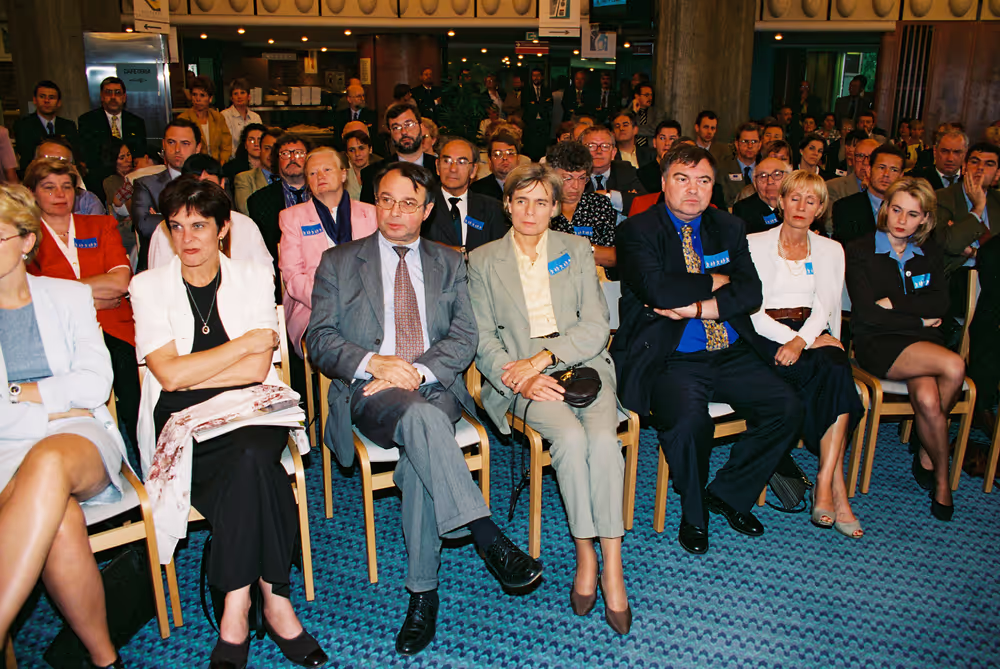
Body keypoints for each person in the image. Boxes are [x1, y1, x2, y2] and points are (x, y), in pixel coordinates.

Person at [306, 162, 543, 656]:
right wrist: (375, 363)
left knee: (420, 448)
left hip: (433, 385)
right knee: (419, 420)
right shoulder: (339, 261)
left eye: (409, 203)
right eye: (386, 200)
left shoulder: (451, 262)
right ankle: (486, 535)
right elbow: (319, 339)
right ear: (374, 203)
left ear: (427, 209)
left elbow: (464, 338)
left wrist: (417, 372)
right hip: (371, 391)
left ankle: (423, 594)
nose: (396, 211)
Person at [129, 178, 327, 668]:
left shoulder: (253, 277)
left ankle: (235, 609)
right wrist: (243, 344)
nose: (187, 238)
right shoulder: (147, 285)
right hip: (182, 420)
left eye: (199, 225)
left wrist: (206, 365)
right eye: (176, 227)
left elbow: (256, 373)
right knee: (255, 470)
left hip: (252, 406)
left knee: (247, 455)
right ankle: (274, 598)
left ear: (222, 229)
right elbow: (169, 378)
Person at [612, 143, 802, 555]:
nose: (693, 190)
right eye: (682, 179)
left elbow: (750, 292)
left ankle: (729, 493)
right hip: (671, 355)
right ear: (664, 183)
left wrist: (698, 306)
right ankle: (694, 511)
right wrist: (716, 280)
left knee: (787, 405)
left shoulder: (728, 227)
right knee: (688, 423)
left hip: (730, 350)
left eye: (703, 181)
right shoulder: (636, 230)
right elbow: (656, 288)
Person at [468, 163, 631, 634]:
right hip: (520, 377)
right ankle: (585, 554)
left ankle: (613, 567)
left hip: (582, 367)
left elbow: (597, 327)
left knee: (602, 442)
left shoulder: (577, 250)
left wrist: (543, 359)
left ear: (556, 207)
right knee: (571, 442)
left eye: (542, 201)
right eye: (521, 200)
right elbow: (481, 339)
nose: (530, 210)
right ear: (507, 204)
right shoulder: (482, 261)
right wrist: (521, 377)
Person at [0, 184, 129, 669]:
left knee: (49, 460)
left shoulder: (69, 295)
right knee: (62, 523)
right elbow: (71, 390)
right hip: (7, 447)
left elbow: (96, 384)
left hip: (76, 441)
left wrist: (15, 396)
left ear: (26, 241)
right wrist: (48, 399)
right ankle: (104, 659)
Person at [747, 171, 865, 538]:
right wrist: (791, 339)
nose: (801, 207)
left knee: (834, 364)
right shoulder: (752, 243)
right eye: (794, 198)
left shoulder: (831, 249)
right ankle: (835, 490)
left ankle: (826, 480)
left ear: (820, 209)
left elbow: (826, 304)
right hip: (765, 334)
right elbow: (750, 309)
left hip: (812, 332)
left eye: (810, 200)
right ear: (780, 201)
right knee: (834, 374)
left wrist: (805, 340)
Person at [845, 177, 963, 520]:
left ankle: (928, 454)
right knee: (954, 367)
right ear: (885, 209)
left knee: (927, 399)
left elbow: (940, 303)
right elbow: (866, 314)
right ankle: (941, 477)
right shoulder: (860, 249)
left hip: (923, 344)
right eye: (896, 209)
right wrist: (919, 319)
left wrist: (894, 302)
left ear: (924, 219)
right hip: (878, 344)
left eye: (912, 214)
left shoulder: (929, 251)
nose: (901, 220)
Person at [24, 157, 140, 472]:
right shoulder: (26, 237)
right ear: (33, 193)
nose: (60, 195)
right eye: (49, 188)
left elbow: (120, 281)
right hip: (60, 331)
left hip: (115, 326)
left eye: (66, 187)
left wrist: (63, 290)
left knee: (131, 387)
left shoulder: (99, 225)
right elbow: (33, 294)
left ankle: (144, 462)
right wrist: (91, 297)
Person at [278, 147, 377, 356]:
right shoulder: (292, 217)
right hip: (314, 307)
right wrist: (332, 303)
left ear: (343, 174)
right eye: (312, 173)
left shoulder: (371, 214)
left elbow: (383, 266)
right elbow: (293, 277)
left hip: (368, 305)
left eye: (327, 170)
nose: (320, 176)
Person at [147, 157, 272, 273]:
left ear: (222, 183)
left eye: (207, 185)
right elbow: (158, 279)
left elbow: (266, 273)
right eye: (193, 186)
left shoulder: (244, 224)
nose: (200, 194)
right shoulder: (166, 228)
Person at [933, 142, 1000, 348]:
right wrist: (977, 209)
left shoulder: (999, 202)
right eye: (974, 162)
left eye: (989, 164)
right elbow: (951, 244)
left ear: (997, 175)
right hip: (954, 280)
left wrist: (973, 252)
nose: (980, 168)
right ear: (964, 168)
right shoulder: (941, 198)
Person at [131, 119, 204, 271]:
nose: (177, 149)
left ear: (198, 147)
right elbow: (144, 226)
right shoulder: (145, 184)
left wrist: (162, 217)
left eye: (185, 143)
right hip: (157, 268)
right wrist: (198, 222)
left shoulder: (210, 182)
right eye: (171, 142)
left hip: (202, 265)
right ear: (163, 145)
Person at [247, 133, 311, 290]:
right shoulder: (258, 201)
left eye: (299, 153)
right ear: (276, 160)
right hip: (277, 280)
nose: (292, 158)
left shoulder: (323, 195)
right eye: (285, 154)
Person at [423, 137, 508, 253]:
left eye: (461, 162)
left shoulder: (492, 209)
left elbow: (499, 252)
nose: (452, 169)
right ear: (437, 166)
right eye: (447, 161)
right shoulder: (423, 204)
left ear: (473, 170)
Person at [546, 141, 617, 269]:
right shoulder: (541, 206)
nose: (576, 186)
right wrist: (591, 250)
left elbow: (612, 256)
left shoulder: (598, 204)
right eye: (568, 178)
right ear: (551, 176)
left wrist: (575, 248)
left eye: (582, 178)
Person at [77, 77, 148, 202]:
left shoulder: (136, 122)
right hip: (99, 181)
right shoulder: (87, 121)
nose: (113, 97)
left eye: (118, 93)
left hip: (131, 180)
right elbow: (87, 154)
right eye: (108, 93)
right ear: (102, 96)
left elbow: (140, 152)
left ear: (124, 97)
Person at [360, 102, 437, 204]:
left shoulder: (440, 169)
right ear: (390, 133)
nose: (404, 132)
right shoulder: (373, 174)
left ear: (420, 126)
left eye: (408, 124)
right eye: (396, 127)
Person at [833, 143, 905, 245]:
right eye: (881, 167)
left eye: (894, 170)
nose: (886, 174)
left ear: (901, 176)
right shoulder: (844, 208)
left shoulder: (908, 212)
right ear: (869, 170)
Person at [13, 81, 79, 176]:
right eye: (42, 96)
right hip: (34, 176)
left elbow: (74, 153)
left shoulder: (68, 125)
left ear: (59, 102)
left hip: (64, 174)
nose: (47, 101)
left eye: (51, 98)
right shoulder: (23, 125)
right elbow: (26, 154)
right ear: (35, 100)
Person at [580, 125, 646, 218]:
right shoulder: (574, 174)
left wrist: (609, 195)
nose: (599, 151)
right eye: (591, 146)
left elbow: (643, 202)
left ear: (613, 153)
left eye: (605, 146)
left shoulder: (624, 170)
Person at [33, 138, 104, 216]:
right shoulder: (22, 202)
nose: (54, 168)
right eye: (47, 161)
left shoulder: (88, 203)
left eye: (62, 162)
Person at [822, 133, 876, 235]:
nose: (865, 162)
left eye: (871, 157)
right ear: (852, 160)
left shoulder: (887, 192)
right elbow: (830, 227)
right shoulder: (833, 187)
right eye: (860, 156)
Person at [177, 76, 233, 164]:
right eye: (194, 94)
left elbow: (226, 145)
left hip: (216, 164)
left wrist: (221, 163)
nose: (197, 99)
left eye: (202, 95)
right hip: (193, 166)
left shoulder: (218, 117)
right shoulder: (184, 119)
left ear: (210, 98)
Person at [732, 157, 791, 234]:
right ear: (755, 183)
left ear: (789, 179)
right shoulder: (743, 210)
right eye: (763, 176)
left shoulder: (798, 205)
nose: (770, 181)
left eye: (777, 175)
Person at [100, 137, 137, 261]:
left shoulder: (138, 174)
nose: (128, 160)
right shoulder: (110, 181)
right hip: (124, 229)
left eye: (129, 155)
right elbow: (117, 205)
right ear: (113, 161)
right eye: (122, 157)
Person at [234, 127, 281, 215]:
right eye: (267, 148)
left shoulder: (292, 178)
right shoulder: (244, 178)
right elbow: (246, 211)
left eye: (277, 149)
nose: (271, 154)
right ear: (260, 150)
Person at [717, 122, 761, 207]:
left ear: (760, 145)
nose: (750, 146)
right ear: (737, 144)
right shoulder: (723, 168)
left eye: (754, 141)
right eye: (745, 141)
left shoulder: (765, 169)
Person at [470, 132, 520, 201]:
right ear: (490, 161)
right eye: (498, 154)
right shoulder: (476, 191)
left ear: (518, 158)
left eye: (510, 153)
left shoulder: (529, 186)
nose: (505, 158)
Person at [220, 78, 262, 158]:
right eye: (235, 94)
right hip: (232, 160)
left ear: (249, 96)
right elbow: (225, 144)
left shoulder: (256, 117)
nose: (239, 96)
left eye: (242, 93)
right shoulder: (224, 116)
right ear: (231, 98)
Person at [637, 120, 681, 194]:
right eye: (662, 138)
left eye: (672, 139)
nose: (667, 143)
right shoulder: (642, 173)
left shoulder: (683, 172)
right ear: (654, 142)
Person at [522, 68, 554, 161]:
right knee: (531, 147)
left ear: (542, 77)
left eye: (538, 75)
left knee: (542, 147)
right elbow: (525, 106)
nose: (536, 78)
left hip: (543, 123)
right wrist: (539, 105)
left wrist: (536, 105)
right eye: (534, 75)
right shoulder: (526, 90)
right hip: (530, 123)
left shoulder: (547, 90)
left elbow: (549, 105)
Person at [343, 129, 379, 202]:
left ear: (370, 149)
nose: (357, 154)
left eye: (361, 148)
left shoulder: (380, 174)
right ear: (347, 154)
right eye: (352, 150)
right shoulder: (342, 178)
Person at [626, 83, 655, 147]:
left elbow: (654, 129)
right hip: (632, 147)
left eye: (651, 95)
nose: (650, 98)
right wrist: (634, 112)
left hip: (650, 147)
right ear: (637, 96)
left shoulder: (657, 112)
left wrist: (633, 130)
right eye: (646, 95)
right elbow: (625, 127)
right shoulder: (629, 112)